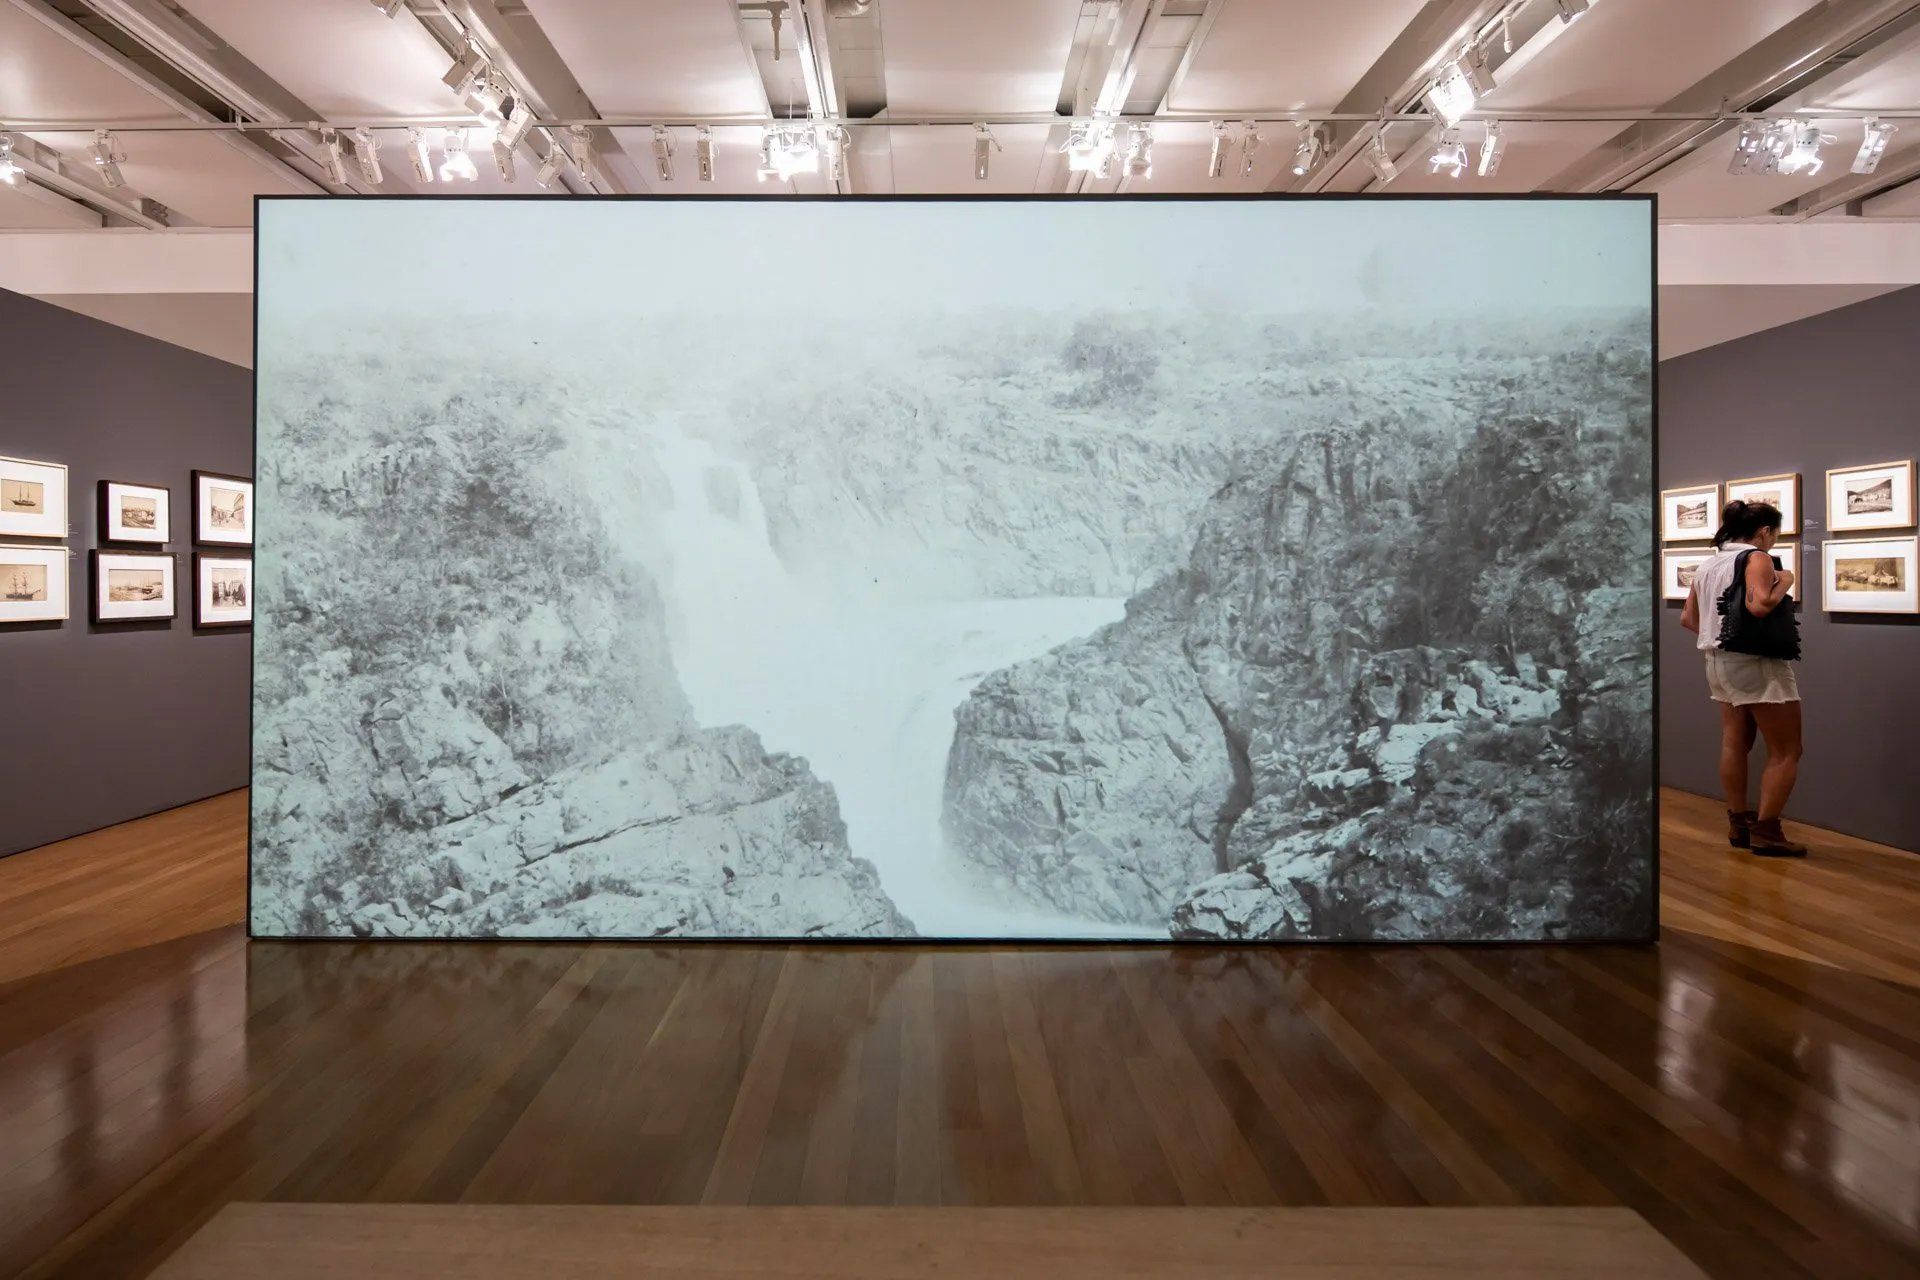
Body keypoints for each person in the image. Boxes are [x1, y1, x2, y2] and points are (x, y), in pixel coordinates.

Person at [1681, 499, 1805, 856]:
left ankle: (1739, 824)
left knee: (1735, 742)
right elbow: (1759, 605)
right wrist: (1787, 580)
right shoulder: (1757, 557)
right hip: (1757, 663)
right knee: (1787, 750)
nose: (1773, 542)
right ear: (1764, 531)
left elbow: (1688, 619)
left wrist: (1720, 636)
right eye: (1774, 535)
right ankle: (1767, 831)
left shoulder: (1709, 563)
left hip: (1717, 662)